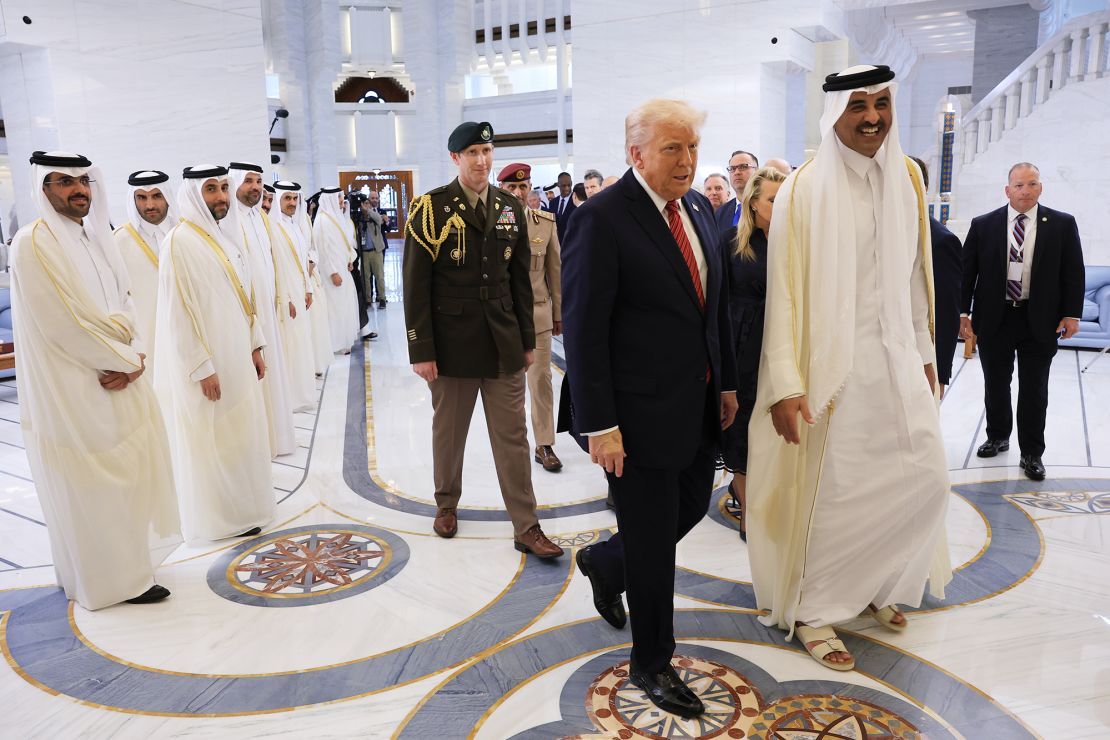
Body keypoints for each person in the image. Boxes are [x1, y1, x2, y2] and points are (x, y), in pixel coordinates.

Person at [747, 65, 952, 672]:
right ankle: (816, 608)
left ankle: (877, 584)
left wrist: (924, 354)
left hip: (896, 357)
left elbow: (916, 276)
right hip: (831, 372)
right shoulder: (805, 188)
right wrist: (784, 384)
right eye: (858, 105)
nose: (872, 117)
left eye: (882, 104)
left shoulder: (909, 177)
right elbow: (781, 293)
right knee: (837, 496)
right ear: (835, 111)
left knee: (926, 483)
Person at [565, 100, 737, 719]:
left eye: (691, 146)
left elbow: (709, 305)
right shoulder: (601, 219)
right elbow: (584, 331)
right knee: (656, 544)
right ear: (636, 153)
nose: (687, 160)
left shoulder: (694, 208)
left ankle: (606, 562)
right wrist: (600, 425)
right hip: (634, 418)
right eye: (672, 148)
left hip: (694, 403)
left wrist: (727, 383)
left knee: (688, 507)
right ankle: (652, 661)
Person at [11, 151, 180, 608]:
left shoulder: (93, 237)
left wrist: (137, 353)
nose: (78, 189)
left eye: (83, 180)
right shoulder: (33, 243)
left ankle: (127, 570)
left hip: (119, 374)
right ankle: (110, 583)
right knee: (90, 484)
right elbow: (62, 325)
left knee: (123, 479)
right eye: (64, 182)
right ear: (44, 189)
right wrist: (125, 358)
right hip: (76, 385)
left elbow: (127, 301)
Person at [402, 121, 563, 560]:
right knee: (449, 433)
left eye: (487, 151)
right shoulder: (430, 208)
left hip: (504, 343)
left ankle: (526, 526)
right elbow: (416, 286)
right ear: (455, 158)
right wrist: (422, 350)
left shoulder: (509, 207)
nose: (482, 160)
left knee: (513, 436)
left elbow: (519, 284)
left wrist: (528, 341)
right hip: (451, 345)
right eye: (472, 152)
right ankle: (446, 504)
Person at [155, 164, 274, 541]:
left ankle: (244, 508)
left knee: (240, 437)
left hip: (238, 356)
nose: (221, 197)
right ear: (193, 194)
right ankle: (219, 518)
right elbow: (178, 314)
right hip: (210, 366)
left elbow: (245, 296)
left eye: (224, 187)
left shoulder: (223, 237)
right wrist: (201, 366)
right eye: (211, 189)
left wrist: (255, 344)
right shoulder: (178, 242)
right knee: (214, 440)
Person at [961, 163, 1084, 480]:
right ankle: (998, 436)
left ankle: (1031, 452)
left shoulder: (1061, 224)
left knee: (1034, 389)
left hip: (1039, 320)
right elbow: (966, 274)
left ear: (1040, 188)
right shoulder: (983, 225)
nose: (1025, 191)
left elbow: (1073, 272)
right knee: (996, 384)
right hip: (995, 318)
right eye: (1018, 185)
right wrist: (962, 313)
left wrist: (1071, 313)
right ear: (1007, 190)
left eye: (1032, 184)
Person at [719, 166, 785, 542]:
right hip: (744, 347)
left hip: (783, 343)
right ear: (754, 203)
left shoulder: (797, 241)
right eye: (774, 200)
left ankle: (774, 501)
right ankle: (749, 509)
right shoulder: (731, 242)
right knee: (742, 428)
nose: (781, 205)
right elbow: (718, 303)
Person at [497, 162, 563, 473]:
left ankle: (544, 443)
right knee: (506, 384)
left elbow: (555, 271)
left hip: (537, 314)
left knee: (541, 381)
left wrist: (559, 314)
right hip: (501, 318)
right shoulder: (489, 225)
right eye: (511, 187)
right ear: (501, 191)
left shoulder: (546, 223)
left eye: (523, 187)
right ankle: (511, 443)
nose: (518, 192)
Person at [229, 161, 297, 457]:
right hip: (250, 316)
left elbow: (276, 263)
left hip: (270, 311)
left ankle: (279, 437)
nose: (255, 187)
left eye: (258, 181)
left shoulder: (262, 219)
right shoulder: (229, 221)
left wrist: (282, 298)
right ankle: (262, 444)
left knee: (275, 376)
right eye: (248, 181)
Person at [113, 170, 177, 365]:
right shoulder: (119, 241)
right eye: (141, 197)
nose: (149, 205)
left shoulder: (184, 234)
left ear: (167, 197)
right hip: (146, 341)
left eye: (156, 196)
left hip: (185, 333)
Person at [911, 157, 962, 396]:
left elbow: (946, 313)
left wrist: (940, 371)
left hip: (919, 358)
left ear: (922, 188)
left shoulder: (940, 241)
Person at [271, 181, 322, 409]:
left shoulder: (294, 225)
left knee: (302, 343)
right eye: (287, 198)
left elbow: (303, 262)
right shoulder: (273, 227)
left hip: (300, 294)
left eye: (294, 198)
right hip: (287, 299)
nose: (292, 203)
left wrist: (308, 289)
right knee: (290, 348)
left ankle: (302, 395)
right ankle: (290, 399)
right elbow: (274, 268)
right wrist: (286, 298)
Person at [312, 187, 360, 354]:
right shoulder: (322, 222)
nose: (341, 203)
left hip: (343, 269)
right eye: (338, 200)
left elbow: (345, 242)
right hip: (332, 273)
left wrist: (349, 259)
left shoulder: (336, 219)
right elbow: (323, 251)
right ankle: (334, 344)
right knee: (334, 308)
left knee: (344, 305)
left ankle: (343, 341)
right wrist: (332, 272)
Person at [359, 190, 389, 309]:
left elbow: (379, 219)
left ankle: (382, 298)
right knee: (366, 277)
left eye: (376, 198)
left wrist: (368, 209)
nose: (374, 200)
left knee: (379, 276)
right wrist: (362, 210)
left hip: (377, 250)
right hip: (365, 251)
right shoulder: (360, 216)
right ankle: (367, 300)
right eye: (371, 198)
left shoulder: (376, 214)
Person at [714, 150, 759, 230]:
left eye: (743, 167)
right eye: (732, 168)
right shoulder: (721, 213)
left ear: (757, 171)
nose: (737, 172)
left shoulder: (766, 207)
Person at [547, 171, 576, 241]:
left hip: (571, 242)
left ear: (571, 183)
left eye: (569, 185)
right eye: (564, 185)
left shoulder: (576, 201)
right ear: (558, 184)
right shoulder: (553, 202)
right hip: (556, 243)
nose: (567, 188)